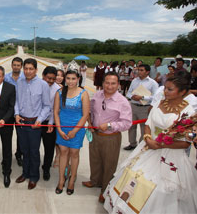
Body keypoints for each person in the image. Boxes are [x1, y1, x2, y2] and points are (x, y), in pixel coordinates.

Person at [103, 73, 197, 214]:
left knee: (160, 190)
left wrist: (161, 144)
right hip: (148, 147)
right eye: (165, 88)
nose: (165, 92)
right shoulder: (161, 102)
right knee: (134, 179)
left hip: (170, 153)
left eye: (170, 89)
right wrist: (148, 138)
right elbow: (149, 123)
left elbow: (185, 143)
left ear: (183, 92)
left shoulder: (189, 112)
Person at [82, 71, 132, 203]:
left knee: (109, 164)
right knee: (95, 159)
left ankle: (105, 190)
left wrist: (109, 125)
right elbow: (91, 110)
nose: (109, 86)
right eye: (107, 83)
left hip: (111, 137)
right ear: (103, 83)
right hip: (95, 134)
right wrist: (90, 122)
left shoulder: (123, 102)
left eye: (113, 83)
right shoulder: (97, 95)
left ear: (119, 85)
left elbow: (126, 123)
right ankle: (95, 181)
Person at [14, 58, 50, 190]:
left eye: (31, 69)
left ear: (36, 70)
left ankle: (34, 177)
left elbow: (47, 106)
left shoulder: (43, 84)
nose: (28, 71)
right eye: (26, 68)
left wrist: (39, 120)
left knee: (34, 151)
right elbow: (17, 101)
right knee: (24, 150)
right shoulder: (20, 82)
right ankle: (25, 173)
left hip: (34, 123)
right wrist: (16, 114)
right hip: (21, 122)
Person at [54, 70, 90, 195]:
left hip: (77, 128)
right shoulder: (59, 92)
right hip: (62, 127)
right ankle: (61, 179)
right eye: (68, 78)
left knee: (74, 153)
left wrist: (75, 131)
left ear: (78, 79)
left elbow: (85, 115)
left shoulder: (83, 94)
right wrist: (58, 129)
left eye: (73, 78)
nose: (70, 81)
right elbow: (56, 112)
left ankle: (72, 179)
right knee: (63, 152)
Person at [124, 64, 159, 150]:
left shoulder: (153, 83)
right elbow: (129, 92)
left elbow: (156, 97)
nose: (139, 72)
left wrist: (143, 97)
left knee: (144, 127)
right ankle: (132, 143)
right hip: (133, 106)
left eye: (141, 70)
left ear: (147, 72)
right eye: (138, 70)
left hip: (145, 107)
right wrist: (132, 96)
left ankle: (141, 144)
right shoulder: (134, 81)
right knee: (131, 126)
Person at [41, 66, 61, 181]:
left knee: (49, 148)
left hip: (49, 122)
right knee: (33, 147)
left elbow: (55, 109)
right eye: (49, 78)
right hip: (36, 121)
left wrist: (51, 123)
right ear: (43, 76)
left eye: (53, 79)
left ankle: (46, 168)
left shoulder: (57, 89)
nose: (51, 81)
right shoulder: (37, 84)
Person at [4, 57, 25, 166]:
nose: (16, 67)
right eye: (14, 65)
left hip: (20, 112)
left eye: (18, 65)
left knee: (20, 135)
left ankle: (19, 154)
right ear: (11, 65)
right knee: (7, 136)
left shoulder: (25, 78)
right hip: (7, 111)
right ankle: (6, 156)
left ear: (21, 66)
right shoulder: (6, 77)